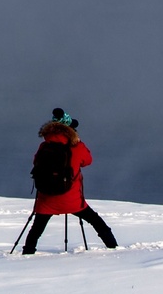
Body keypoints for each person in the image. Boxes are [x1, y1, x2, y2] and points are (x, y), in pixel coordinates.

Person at [21, 107, 118, 253]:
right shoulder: (76, 146)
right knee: (96, 221)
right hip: (71, 198)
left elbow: (36, 162)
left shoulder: (44, 146)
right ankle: (113, 247)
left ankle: (27, 252)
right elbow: (87, 161)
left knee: (37, 228)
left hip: (46, 197)